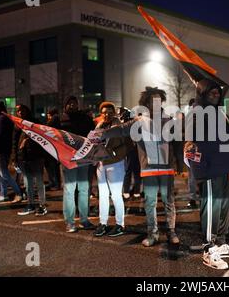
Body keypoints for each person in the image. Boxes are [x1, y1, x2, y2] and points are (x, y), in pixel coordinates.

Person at [88, 87, 180, 247]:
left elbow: (178, 143)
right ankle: (153, 233)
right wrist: (102, 134)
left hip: (166, 168)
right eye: (152, 100)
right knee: (150, 202)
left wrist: (180, 163)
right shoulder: (139, 121)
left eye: (158, 99)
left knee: (168, 200)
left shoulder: (168, 119)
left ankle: (171, 232)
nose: (155, 103)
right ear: (146, 103)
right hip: (148, 168)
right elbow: (121, 130)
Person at [185, 78, 229, 270]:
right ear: (203, 94)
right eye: (212, 93)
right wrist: (199, 169)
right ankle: (209, 248)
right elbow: (190, 144)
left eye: (218, 93)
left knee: (224, 205)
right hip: (208, 169)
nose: (216, 96)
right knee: (211, 208)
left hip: (223, 166)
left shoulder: (217, 113)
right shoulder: (196, 114)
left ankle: (221, 241)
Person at [93, 101, 132, 237]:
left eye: (110, 112)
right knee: (103, 195)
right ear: (101, 114)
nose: (107, 114)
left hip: (115, 163)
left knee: (115, 195)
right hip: (101, 164)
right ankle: (102, 223)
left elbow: (128, 145)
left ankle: (120, 224)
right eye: (104, 112)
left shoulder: (120, 126)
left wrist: (116, 154)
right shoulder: (98, 126)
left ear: (114, 113)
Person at [60, 96, 96, 233]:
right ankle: (69, 222)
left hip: (83, 158)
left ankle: (84, 220)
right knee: (69, 190)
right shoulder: (60, 119)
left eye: (74, 103)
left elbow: (93, 136)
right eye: (69, 103)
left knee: (84, 188)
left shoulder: (85, 118)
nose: (71, 105)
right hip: (68, 158)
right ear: (65, 105)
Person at [13, 105, 48, 217]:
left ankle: (42, 205)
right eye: (18, 111)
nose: (20, 112)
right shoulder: (17, 125)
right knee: (28, 183)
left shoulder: (35, 123)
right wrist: (15, 158)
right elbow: (14, 143)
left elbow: (42, 138)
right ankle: (31, 204)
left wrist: (28, 141)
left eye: (22, 110)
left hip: (36, 157)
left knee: (39, 182)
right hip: (23, 157)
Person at [0, 100, 23, 203]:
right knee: (2, 172)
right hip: (5, 148)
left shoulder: (0, 119)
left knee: (3, 173)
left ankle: (18, 193)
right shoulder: (6, 118)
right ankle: (3, 194)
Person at [44, 108, 61, 190]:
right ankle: (55, 183)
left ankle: (55, 183)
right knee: (55, 167)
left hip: (52, 146)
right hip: (56, 146)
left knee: (53, 167)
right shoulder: (59, 120)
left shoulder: (53, 121)